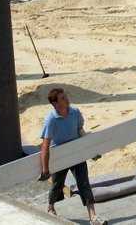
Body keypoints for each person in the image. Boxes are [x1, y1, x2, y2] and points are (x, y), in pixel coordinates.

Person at [39, 88, 107, 224]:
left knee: (84, 183)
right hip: (60, 155)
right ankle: (51, 207)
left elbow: (80, 131)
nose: (66, 99)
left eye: (66, 96)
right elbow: (45, 145)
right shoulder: (50, 120)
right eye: (62, 98)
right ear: (55, 103)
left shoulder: (75, 112)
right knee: (58, 184)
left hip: (77, 152)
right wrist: (45, 169)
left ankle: (93, 217)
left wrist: (91, 151)